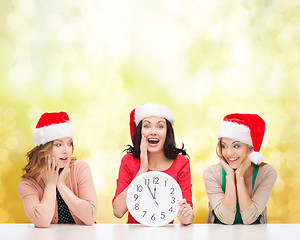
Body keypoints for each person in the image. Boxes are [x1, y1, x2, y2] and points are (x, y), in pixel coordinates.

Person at [112, 103, 194, 225]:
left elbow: (188, 214)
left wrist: (185, 217)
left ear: (167, 132)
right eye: (147, 126)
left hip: (167, 234)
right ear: (140, 131)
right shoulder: (128, 161)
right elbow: (118, 211)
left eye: (160, 126)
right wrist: (142, 171)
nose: (153, 132)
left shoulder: (181, 163)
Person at [18, 112, 98, 228]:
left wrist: (61, 185)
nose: (66, 151)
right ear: (43, 149)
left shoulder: (81, 169)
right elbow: (42, 222)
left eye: (69, 144)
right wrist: (51, 184)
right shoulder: (28, 184)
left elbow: (90, 217)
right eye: (58, 145)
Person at [203, 113, 277, 225]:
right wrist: (229, 175)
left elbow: (249, 218)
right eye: (224, 146)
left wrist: (239, 177)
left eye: (236, 146)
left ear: (250, 147)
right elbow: (226, 218)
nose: (228, 153)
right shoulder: (211, 173)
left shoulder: (267, 172)